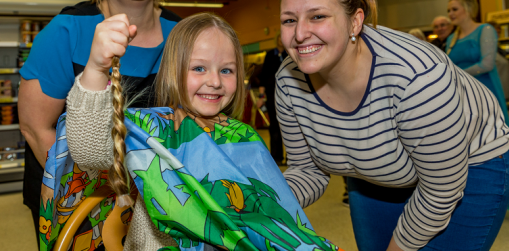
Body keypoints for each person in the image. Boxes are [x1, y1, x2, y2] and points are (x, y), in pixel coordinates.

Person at [275, 0, 509, 251]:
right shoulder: (289, 80)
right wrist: (261, 200)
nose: (300, 34)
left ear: (355, 21)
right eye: (289, 20)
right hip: (377, 168)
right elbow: (306, 171)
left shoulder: (417, 77)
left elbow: (441, 191)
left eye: (318, 16)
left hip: (469, 165)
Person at [62, 13, 338, 251]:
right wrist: (97, 68)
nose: (215, 81)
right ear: (173, 70)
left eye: (227, 70)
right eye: (199, 68)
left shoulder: (242, 135)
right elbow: (90, 151)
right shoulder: (154, 129)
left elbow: (268, 203)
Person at [17, 0, 180, 242]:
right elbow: (36, 128)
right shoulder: (67, 32)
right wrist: (101, 192)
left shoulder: (182, 35)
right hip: (76, 197)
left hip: (154, 197)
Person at [257, 34, 287, 164]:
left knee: (290, 127)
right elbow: (263, 77)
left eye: (283, 38)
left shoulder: (290, 54)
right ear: (277, 40)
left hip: (288, 95)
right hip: (272, 94)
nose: (281, 40)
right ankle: (276, 157)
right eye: (279, 38)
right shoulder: (269, 55)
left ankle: (293, 159)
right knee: (274, 126)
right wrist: (261, 97)